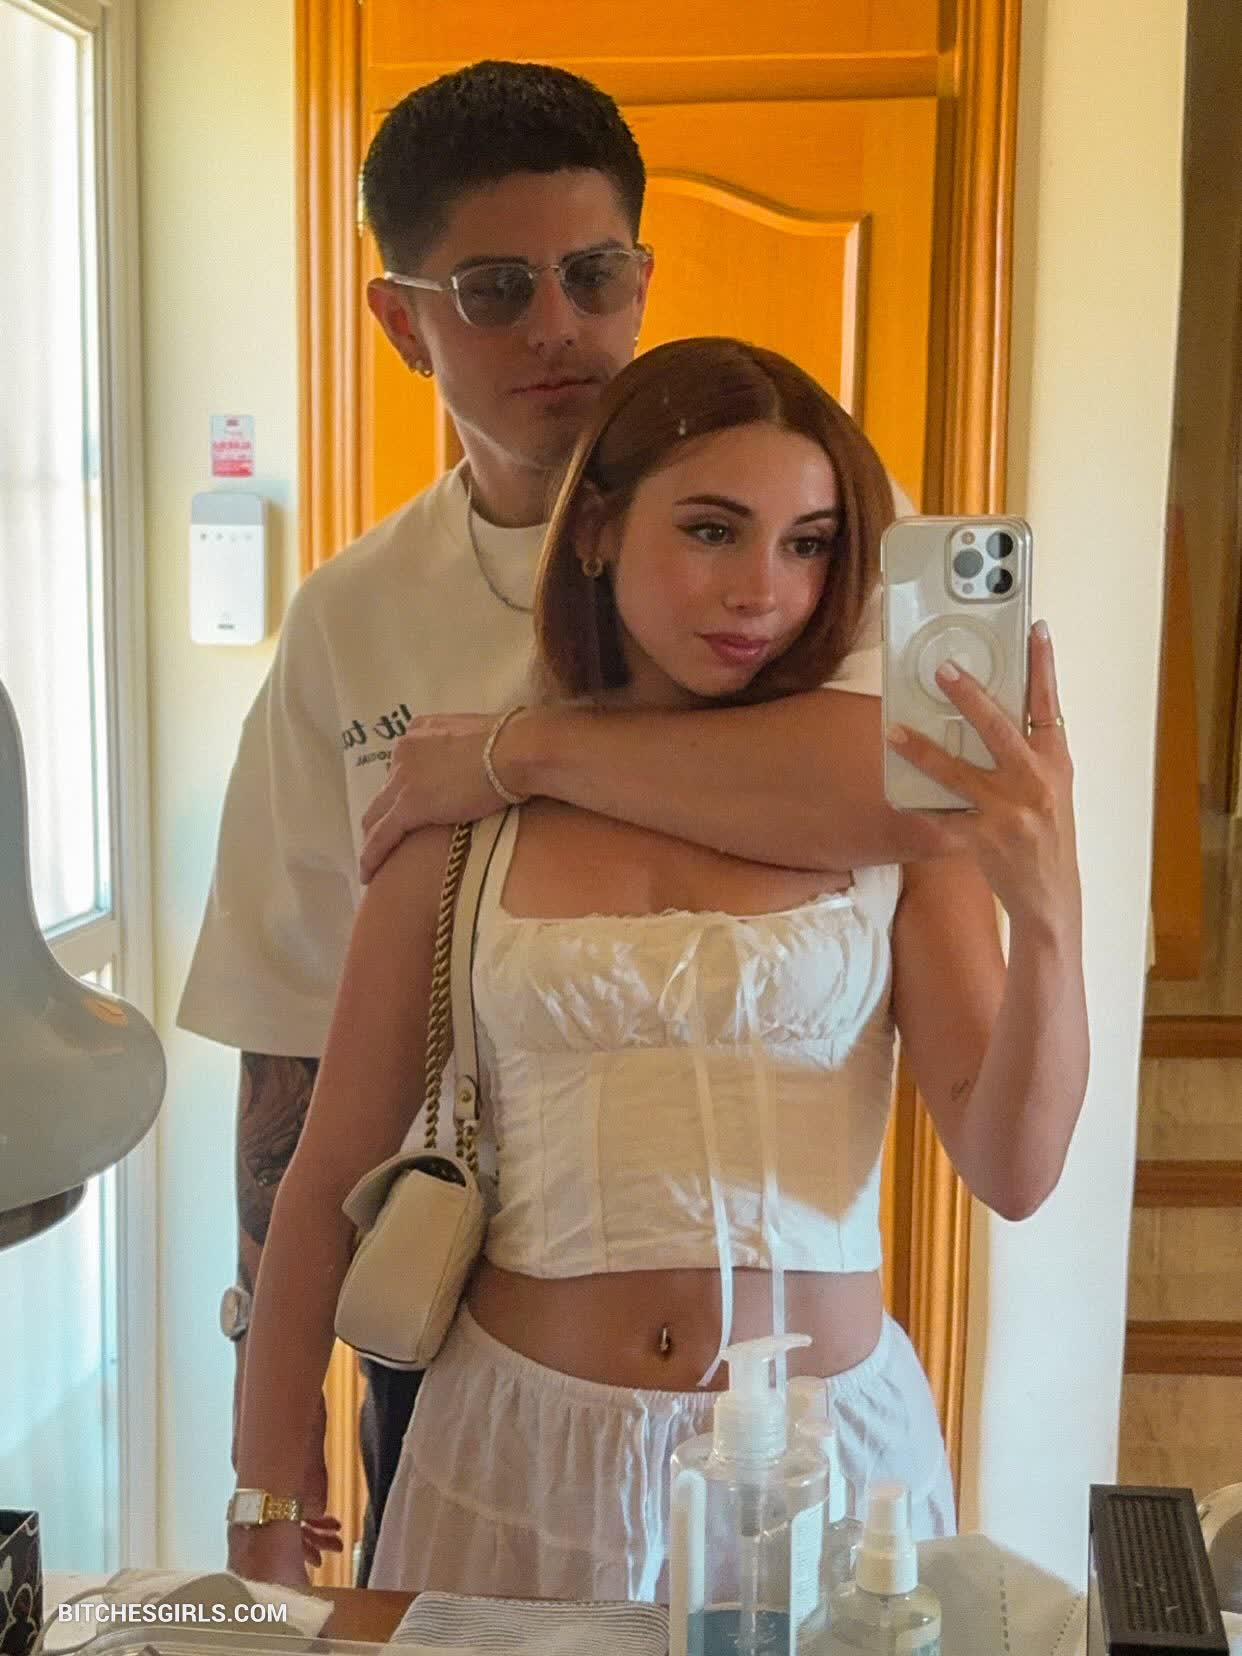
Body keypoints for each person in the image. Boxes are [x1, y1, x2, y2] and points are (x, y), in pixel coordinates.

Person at [181, 61, 943, 1578]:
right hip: (456, 1323)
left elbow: (897, 790)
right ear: (403, 320)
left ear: (641, 279)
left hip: (793, 1387)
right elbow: (294, 1052)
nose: (556, 327)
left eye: (593, 275)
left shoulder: (812, 544)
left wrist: (514, 757)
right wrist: (273, 1431)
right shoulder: (353, 620)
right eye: (495, 288)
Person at [228, 337, 1089, 1601]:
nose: (762, 592)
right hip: (519, 1463)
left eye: (807, 545)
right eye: (711, 530)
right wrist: (262, 1487)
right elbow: (325, 1177)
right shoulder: (463, 819)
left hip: (828, 1473)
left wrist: (1053, 912)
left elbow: (1014, 1170)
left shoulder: (894, 827)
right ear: (594, 532)